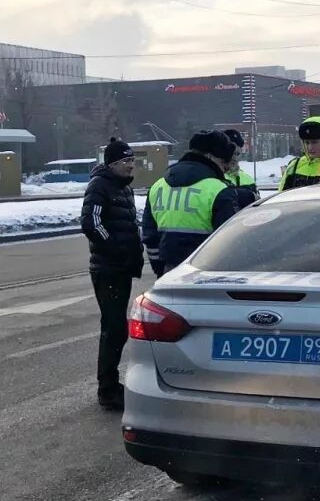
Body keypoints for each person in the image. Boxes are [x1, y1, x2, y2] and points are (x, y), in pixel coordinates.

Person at [80, 137, 144, 411]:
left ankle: (111, 383)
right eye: (126, 162)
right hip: (108, 269)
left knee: (118, 328)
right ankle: (107, 388)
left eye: (132, 161)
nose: (132, 166)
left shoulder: (123, 188)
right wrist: (116, 248)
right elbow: (91, 223)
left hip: (122, 267)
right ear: (113, 164)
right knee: (114, 327)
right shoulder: (100, 186)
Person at [143, 130, 240, 276]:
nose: (225, 167)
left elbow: (150, 235)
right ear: (210, 157)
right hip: (208, 274)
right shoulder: (219, 190)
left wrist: (160, 269)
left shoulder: (158, 186)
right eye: (222, 161)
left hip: (169, 273)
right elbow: (230, 242)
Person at [278, 116, 320, 191]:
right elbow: (280, 196)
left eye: (314, 142)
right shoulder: (294, 166)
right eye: (307, 143)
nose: (310, 147)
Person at [223, 129, 259, 209]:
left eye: (237, 154)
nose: (235, 158)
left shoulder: (248, 179)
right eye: (232, 154)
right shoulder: (214, 177)